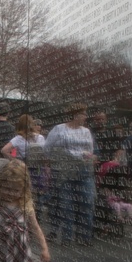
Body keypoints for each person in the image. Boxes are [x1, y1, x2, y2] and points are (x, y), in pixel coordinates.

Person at [46, 104, 96, 245]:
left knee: (87, 202)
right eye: (84, 114)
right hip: (64, 170)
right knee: (66, 203)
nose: (86, 117)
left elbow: (90, 149)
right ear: (76, 115)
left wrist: (88, 156)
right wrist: (58, 161)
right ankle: (67, 236)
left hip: (83, 169)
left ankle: (84, 236)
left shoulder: (86, 131)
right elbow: (47, 149)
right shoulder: (59, 129)